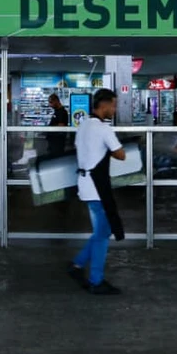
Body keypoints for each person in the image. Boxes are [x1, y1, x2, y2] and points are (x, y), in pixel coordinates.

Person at [67, 88, 127, 296]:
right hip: (98, 188)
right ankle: (96, 280)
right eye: (114, 105)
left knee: (101, 231)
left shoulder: (83, 125)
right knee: (102, 235)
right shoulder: (103, 128)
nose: (115, 109)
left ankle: (76, 265)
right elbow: (121, 154)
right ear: (104, 105)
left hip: (84, 185)